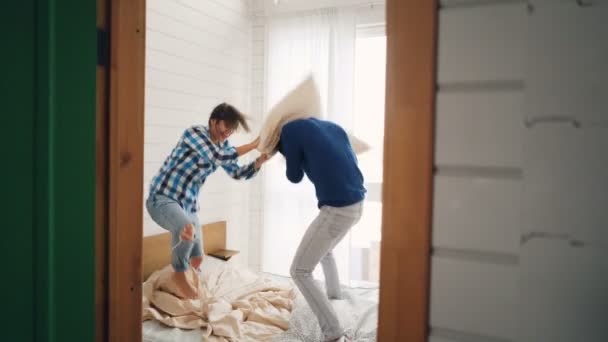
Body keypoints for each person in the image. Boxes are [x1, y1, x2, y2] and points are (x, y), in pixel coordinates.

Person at [146, 103, 269, 299]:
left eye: (231, 130)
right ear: (213, 121)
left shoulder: (224, 146)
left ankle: (184, 280)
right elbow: (217, 156)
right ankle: (179, 274)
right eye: (225, 127)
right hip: (162, 197)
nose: (227, 133)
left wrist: (258, 162)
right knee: (186, 228)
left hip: (188, 204)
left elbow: (236, 172)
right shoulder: (194, 133)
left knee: (198, 257)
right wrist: (253, 144)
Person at [277, 117, 366, 342]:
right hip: (357, 204)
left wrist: (286, 153)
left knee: (299, 271)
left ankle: (333, 332)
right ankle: (334, 296)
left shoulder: (288, 132)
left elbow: (294, 176)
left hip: (338, 209)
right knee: (325, 249)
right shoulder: (332, 125)